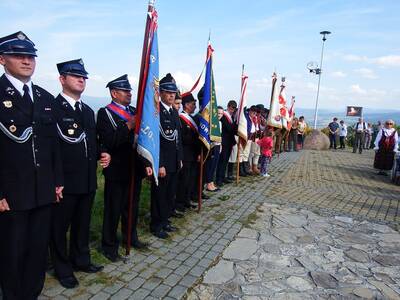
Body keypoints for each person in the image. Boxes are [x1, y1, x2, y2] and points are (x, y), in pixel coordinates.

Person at [0, 31, 63, 299]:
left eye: (31, 56)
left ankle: (31, 294)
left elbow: (54, 146)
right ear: (2, 59)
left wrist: (58, 181)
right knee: (12, 251)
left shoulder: (45, 97)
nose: (27, 61)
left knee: (38, 249)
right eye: (18, 55)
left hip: (43, 189)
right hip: (12, 192)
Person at [50, 59, 110, 289]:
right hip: (64, 181)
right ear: (62, 79)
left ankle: (81, 259)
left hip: (87, 179)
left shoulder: (86, 110)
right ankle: (62, 268)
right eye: (75, 76)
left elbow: (91, 143)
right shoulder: (53, 108)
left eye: (83, 76)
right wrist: (54, 181)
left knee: (82, 224)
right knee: (59, 227)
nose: (81, 79)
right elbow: (51, 148)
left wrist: (103, 154)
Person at [96, 75, 152, 263]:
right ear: (114, 93)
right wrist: (129, 125)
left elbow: (141, 143)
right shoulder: (105, 114)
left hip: (134, 169)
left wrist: (146, 164)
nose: (129, 94)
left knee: (132, 207)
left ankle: (131, 237)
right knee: (114, 209)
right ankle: (109, 245)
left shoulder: (134, 111)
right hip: (117, 170)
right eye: (125, 91)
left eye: (129, 91)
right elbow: (109, 141)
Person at [150, 73, 182, 239]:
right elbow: (155, 140)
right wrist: (160, 163)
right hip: (163, 162)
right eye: (168, 92)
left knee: (170, 193)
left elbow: (178, 138)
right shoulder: (156, 112)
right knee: (160, 194)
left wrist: (180, 158)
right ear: (160, 93)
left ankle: (165, 220)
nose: (171, 95)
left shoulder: (173, 112)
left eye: (173, 93)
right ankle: (156, 225)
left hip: (174, 160)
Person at [176, 93, 201, 211]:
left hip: (193, 154)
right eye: (193, 104)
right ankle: (180, 203)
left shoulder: (191, 119)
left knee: (190, 179)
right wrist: (196, 139)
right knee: (183, 180)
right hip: (185, 155)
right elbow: (183, 138)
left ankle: (187, 200)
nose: (195, 106)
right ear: (186, 105)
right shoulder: (181, 119)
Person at [216, 100, 237, 186]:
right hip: (224, 142)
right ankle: (218, 179)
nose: (232, 110)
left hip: (229, 142)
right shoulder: (224, 115)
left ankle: (223, 176)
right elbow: (229, 128)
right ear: (228, 106)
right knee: (222, 161)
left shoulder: (231, 116)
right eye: (231, 108)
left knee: (226, 161)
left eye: (234, 109)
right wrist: (236, 124)